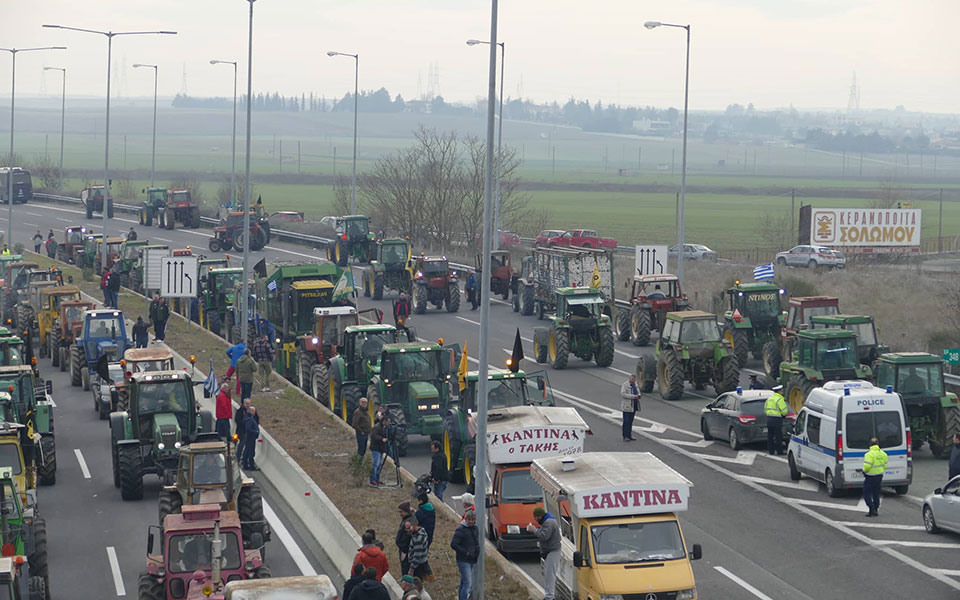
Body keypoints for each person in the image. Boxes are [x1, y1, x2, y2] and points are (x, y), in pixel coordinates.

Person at [527, 506, 561, 600]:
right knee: (548, 574)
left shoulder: (548, 523)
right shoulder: (548, 521)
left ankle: (549, 597)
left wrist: (534, 529)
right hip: (551, 550)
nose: (535, 519)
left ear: (539, 516)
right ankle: (549, 595)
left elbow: (544, 536)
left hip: (553, 551)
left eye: (535, 517)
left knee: (550, 575)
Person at [450, 509, 480, 600]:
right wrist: (465, 552)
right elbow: (453, 544)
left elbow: (476, 542)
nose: (471, 521)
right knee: (468, 583)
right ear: (466, 519)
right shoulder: (461, 530)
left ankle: (461, 597)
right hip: (463, 560)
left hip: (472, 559)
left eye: (472, 519)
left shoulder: (475, 529)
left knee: (464, 582)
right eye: (469, 519)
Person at [862, 437, 888, 517]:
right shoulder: (883, 454)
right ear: (878, 444)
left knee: (866, 493)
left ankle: (871, 508)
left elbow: (867, 466)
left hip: (870, 476)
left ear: (870, 444)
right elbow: (885, 465)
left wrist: (864, 471)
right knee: (876, 493)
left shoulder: (869, 454)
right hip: (879, 475)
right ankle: (875, 509)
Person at [764, 385, 789, 456]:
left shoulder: (769, 399)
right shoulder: (779, 399)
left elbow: (765, 410)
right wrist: (783, 414)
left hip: (769, 419)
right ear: (779, 391)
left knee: (770, 436)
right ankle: (779, 451)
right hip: (777, 419)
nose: (782, 392)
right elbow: (784, 411)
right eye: (781, 391)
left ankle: (771, 451)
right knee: (778, 436)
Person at [369, 413, 390, 486]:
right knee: (376, 464)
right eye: (388, 421)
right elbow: (373, 436)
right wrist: (381, 439)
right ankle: (372, 479)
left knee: (379, 465)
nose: (388, 423)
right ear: (384, 421)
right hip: (376, 448)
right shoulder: (377, 427)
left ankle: (377, 479)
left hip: (380, 448)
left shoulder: (383, 427)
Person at [395, 500, 415, 574]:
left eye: (401, 512)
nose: (400, 514)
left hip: (406, 551)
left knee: (405, 569)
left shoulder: (409, 522)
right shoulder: (408, 519)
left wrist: (404, 551)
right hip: (404, 549)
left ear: (406, 511)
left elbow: (408, 538)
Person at [620, 374, 641, 442]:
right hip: (627, 406)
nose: (633, 381)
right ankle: (625, 436)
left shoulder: (635, 384)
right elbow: (623, 394)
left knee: (630, 422)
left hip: (633, 406)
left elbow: (638, 391)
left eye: (634, 379)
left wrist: (639, 395)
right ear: (629, 379)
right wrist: (633, 396)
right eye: (632, 379)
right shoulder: (625, 385)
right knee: (626, 421)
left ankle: (629, 435)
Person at [242, 405, 259, 471]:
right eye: (253, 411)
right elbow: (248, 429)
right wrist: (255, 431)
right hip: (250, 438)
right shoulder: (249, 420)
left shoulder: (249, 418)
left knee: (247, 451)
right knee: (250, 452)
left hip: (249, 438)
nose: (254, 412)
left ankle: (245, 465)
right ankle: (251, 466)